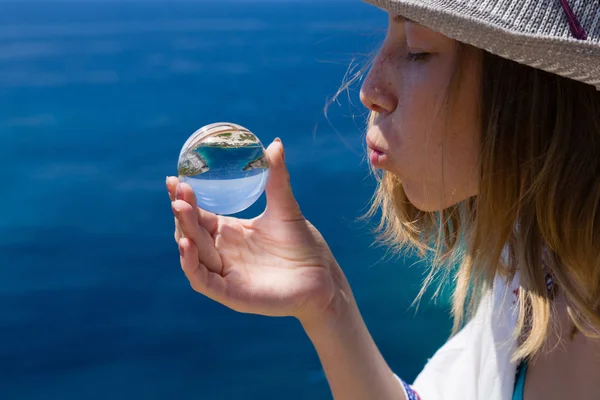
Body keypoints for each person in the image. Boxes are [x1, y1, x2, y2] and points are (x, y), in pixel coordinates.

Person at [166, 0, 600, 398]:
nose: (370, 87)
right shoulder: (536, 260)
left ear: (528, 87)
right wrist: (327, 302)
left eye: (416, 49)